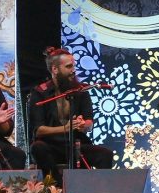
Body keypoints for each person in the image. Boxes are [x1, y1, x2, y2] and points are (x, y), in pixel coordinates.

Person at [26, 47, 115, 182]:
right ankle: (58, 188)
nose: (73, 70)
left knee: (105, 154)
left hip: (76, 145)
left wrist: (83, 125)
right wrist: (65, 128)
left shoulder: (81, 90)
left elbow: (89, 122)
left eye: (74, 66)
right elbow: (38, 130)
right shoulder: (39, 93)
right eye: (68, 66)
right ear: (55, 70)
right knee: (37, 148)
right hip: (51, 146)